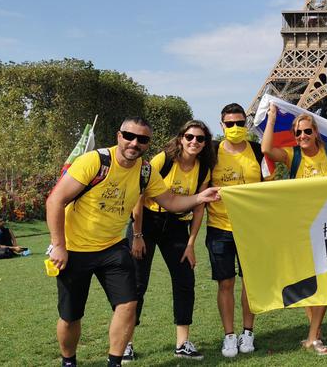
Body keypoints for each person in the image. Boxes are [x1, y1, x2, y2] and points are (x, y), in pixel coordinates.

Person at [46, 117, 220, 367]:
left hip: (112, 247)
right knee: (71, 316)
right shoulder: (95, 161)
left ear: (148, 143)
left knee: (128, 303)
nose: (134, 143)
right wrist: (59, 245)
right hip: (75, 249)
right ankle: (68, 361)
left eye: (142, 139)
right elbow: (55, 201)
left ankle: (115, 362)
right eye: (129, 136)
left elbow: (171, 202)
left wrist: (200, 197)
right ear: (119, 135)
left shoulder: (145, 170)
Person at [123, 120, 216, 362]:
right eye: (190, 137)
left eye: (200, 138)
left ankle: (182, 343)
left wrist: (191, 244)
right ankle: (126, 343)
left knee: (185, 280)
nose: (194, 142)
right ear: (181, 138)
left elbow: (198, 207)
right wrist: (137, 235)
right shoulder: (163, 160)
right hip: (147, 221)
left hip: (177, 225)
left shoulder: (204, 168)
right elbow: (138, 197)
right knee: (137, 284)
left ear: (206, 143)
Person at [261, 105, 327, 355]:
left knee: (324, 282)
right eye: (298, 132)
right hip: (301, 227)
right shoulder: (294, 155)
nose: (302, 136)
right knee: (307, 282)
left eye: (307, 131)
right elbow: (266, 149)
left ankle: (313, 336)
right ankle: (315, 332)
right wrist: (271, 118)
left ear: (316, 133)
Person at [206, 103, 262, 358]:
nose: (236, 128)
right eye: (230, 124)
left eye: (240, 123)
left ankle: (247, 332)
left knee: (250, 283)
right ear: (222, 126)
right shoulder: (211, 153)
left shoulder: (258, 151)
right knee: (225, 282)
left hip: (251, 227)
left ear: (246, 124)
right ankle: (229, 335)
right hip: (219, 227)